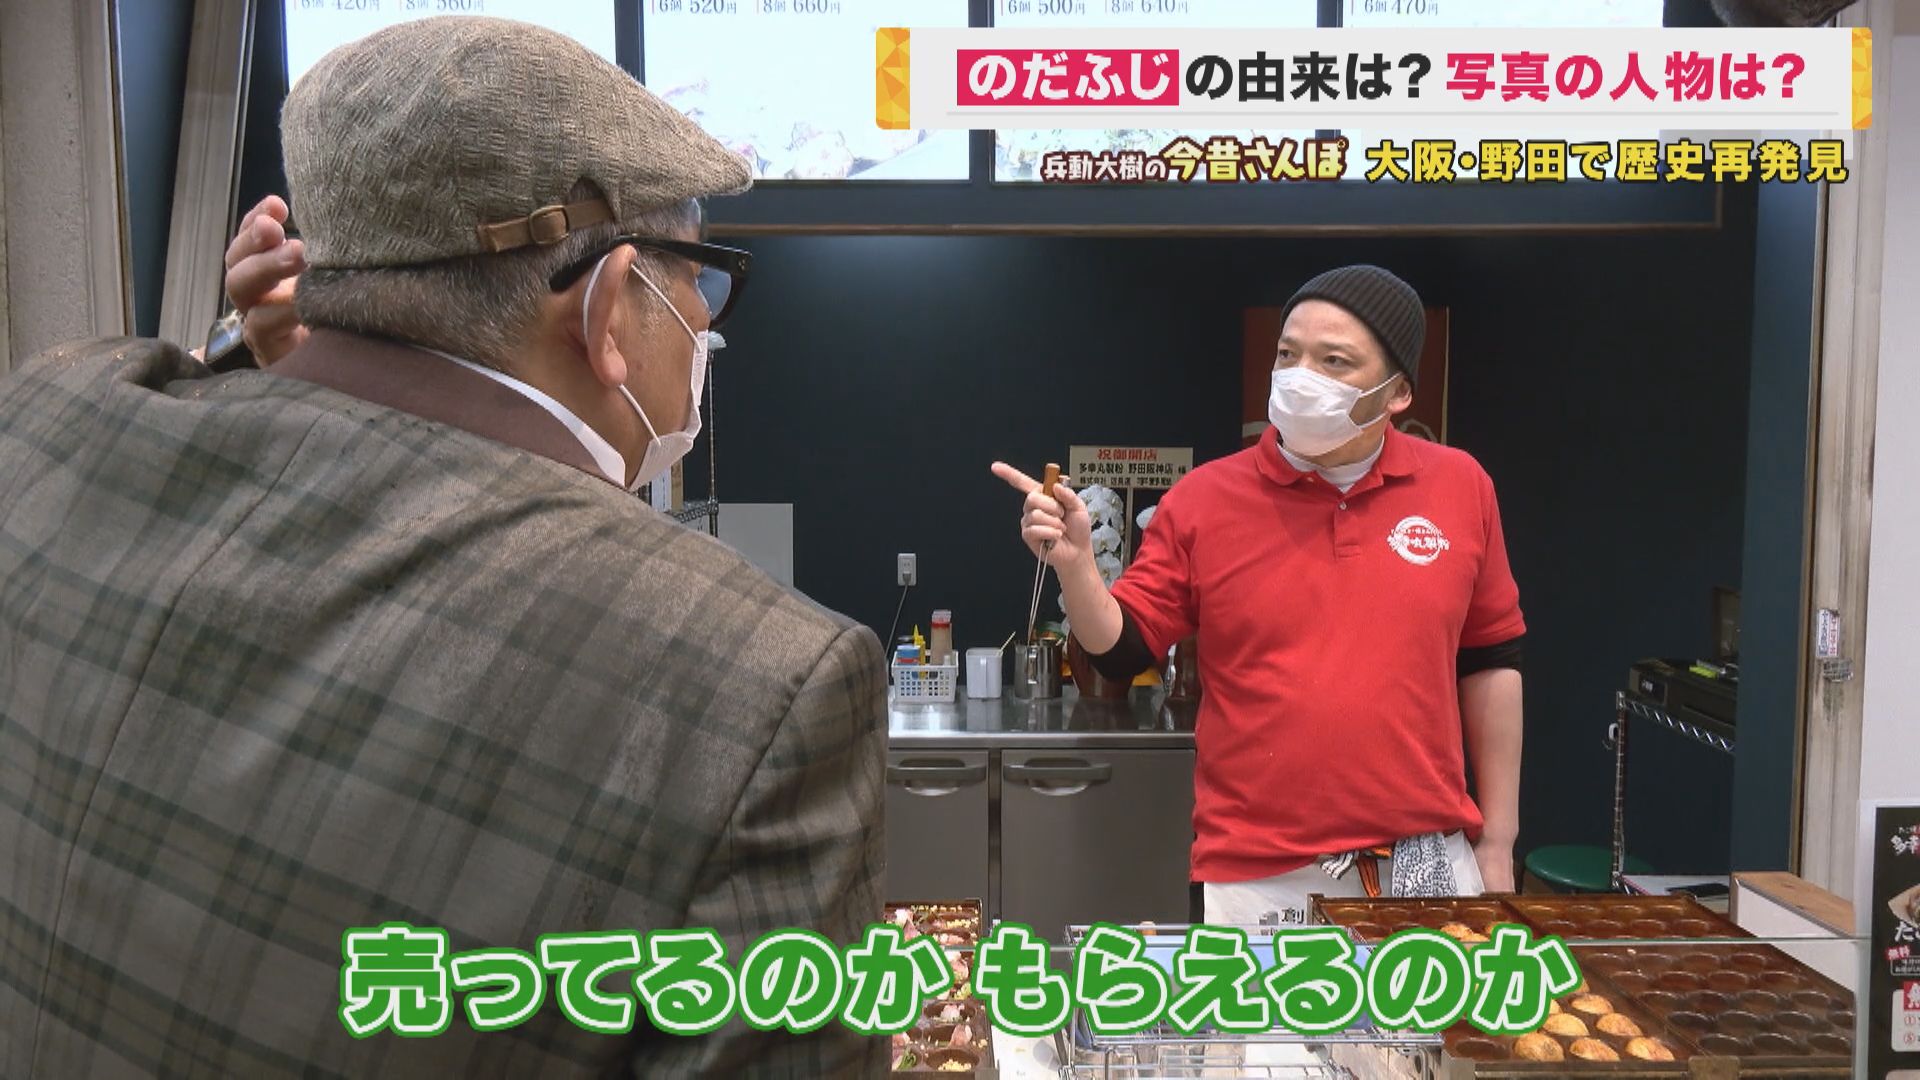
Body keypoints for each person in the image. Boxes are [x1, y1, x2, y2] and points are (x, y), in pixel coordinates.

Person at [0, 17, 884, 1077]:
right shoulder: (763, 682)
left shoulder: (46, 418)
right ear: (611, 307)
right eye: (699, 277)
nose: (703, 319)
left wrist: (295, 370)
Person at [995, 265, 1525, 926]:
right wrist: (1077, 567)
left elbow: (1491, 660)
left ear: (1397, 393)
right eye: (1288, 354)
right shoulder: (1206, 499)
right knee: (1261, 1004)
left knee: (1437, 1005)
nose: (1301, 376)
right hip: (1256, 875)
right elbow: (1119, 649)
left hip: (1426, 860)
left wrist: (1498, 840)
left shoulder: (1462, 486)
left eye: (1334, 361)